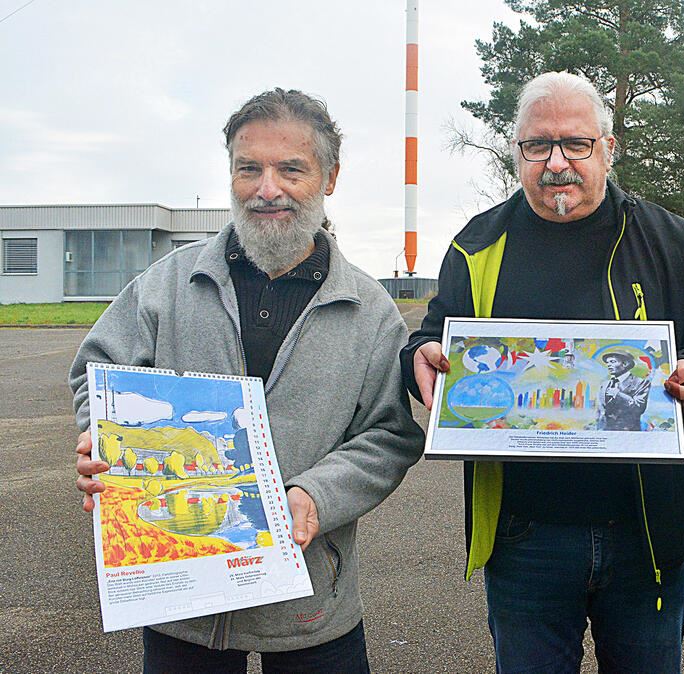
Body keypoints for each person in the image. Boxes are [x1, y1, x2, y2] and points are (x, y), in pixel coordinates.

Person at [71, 88, 425, 673]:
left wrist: (318, 493)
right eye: (248, 169)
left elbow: (390, 433)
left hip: (312, 599)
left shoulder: (369, 309)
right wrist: (103, 438)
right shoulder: (167, 285)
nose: (267, 189)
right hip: (182, 595)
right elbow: (95, 368)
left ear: (329, 178)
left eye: (291, 169)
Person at [401, 71, 684, 673]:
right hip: (525, 536)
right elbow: (434, 336)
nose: (557, 162)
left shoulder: (663, 235)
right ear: (518, 153)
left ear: (607, 148)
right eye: (538, 145)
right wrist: (420, 359)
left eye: (576, 143)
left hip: (646, 530)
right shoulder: (475, 245)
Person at [597, 351, 650, 431]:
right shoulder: (604, 384)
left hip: (628, 434)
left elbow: (639, 408)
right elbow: (601, 410)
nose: (608, 365)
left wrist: (618, 394)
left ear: (625, 364)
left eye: (612, 362)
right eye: (607, 362)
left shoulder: (640, 382)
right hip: (606, 432)